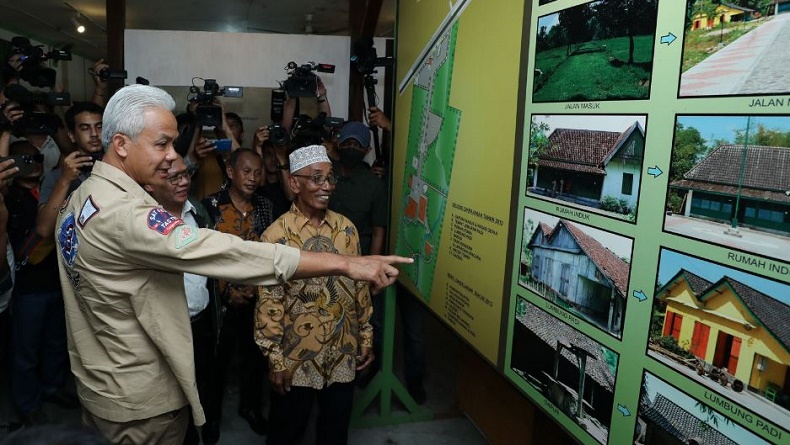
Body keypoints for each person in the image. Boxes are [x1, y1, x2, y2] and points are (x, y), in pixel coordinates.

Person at [53, 84, 409, 444]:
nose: (174, 157)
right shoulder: (125, 213)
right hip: (139, 397)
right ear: (121, 144)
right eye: (162, 144)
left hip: (105, 380)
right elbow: (227, 253)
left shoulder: (84, 196)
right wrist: (345, 265)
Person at [254, 145, 374, 445]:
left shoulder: (347, 230)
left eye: (330, 179)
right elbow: (270, 303)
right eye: (317, 179)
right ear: (294, 183)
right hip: (296, 360)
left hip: (342, 354)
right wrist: (275, 359)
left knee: (335, 431)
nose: (327, 186)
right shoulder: (276, 236)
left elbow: (360, 290)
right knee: (287, 431)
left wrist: (366, 336)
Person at [144, 155, 218, 445]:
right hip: (165, 329)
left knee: (205, 385)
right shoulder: (144, 220)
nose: (184, 181)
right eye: (174, 177)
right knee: (172, 399)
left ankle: (208, 435)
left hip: (200, 324)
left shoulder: (197, 212)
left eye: (186, 175)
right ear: (151, 185)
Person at [202, 148, 272, 441]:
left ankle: (251, 407)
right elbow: (202, 257)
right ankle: (211, 418)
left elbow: (271, 252)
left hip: (257, 300)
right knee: (215, 365)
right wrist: (228, 291)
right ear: (230, 172)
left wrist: (254, 289)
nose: (253, 178)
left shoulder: (266, 207)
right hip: (220, 303)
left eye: (257, 172)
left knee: (254, 360)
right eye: (246, 171)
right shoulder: (209, 207)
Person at [6, 140, 77, 427]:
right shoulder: (10, 197)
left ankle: (52, 388)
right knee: (26, 350)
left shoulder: (49, 188)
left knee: (55, 342)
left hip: (56, 280)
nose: (33, 162)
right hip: (27, 287)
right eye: (24, 158)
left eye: (36, 157)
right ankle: (27, 403)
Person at [35, 101, 104, 238]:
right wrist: (65, 180)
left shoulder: (119, 168)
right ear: (71, 135)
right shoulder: (57, 177)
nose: (94, 134)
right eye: (85, 128)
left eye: (99, 127)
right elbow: (44, 229)